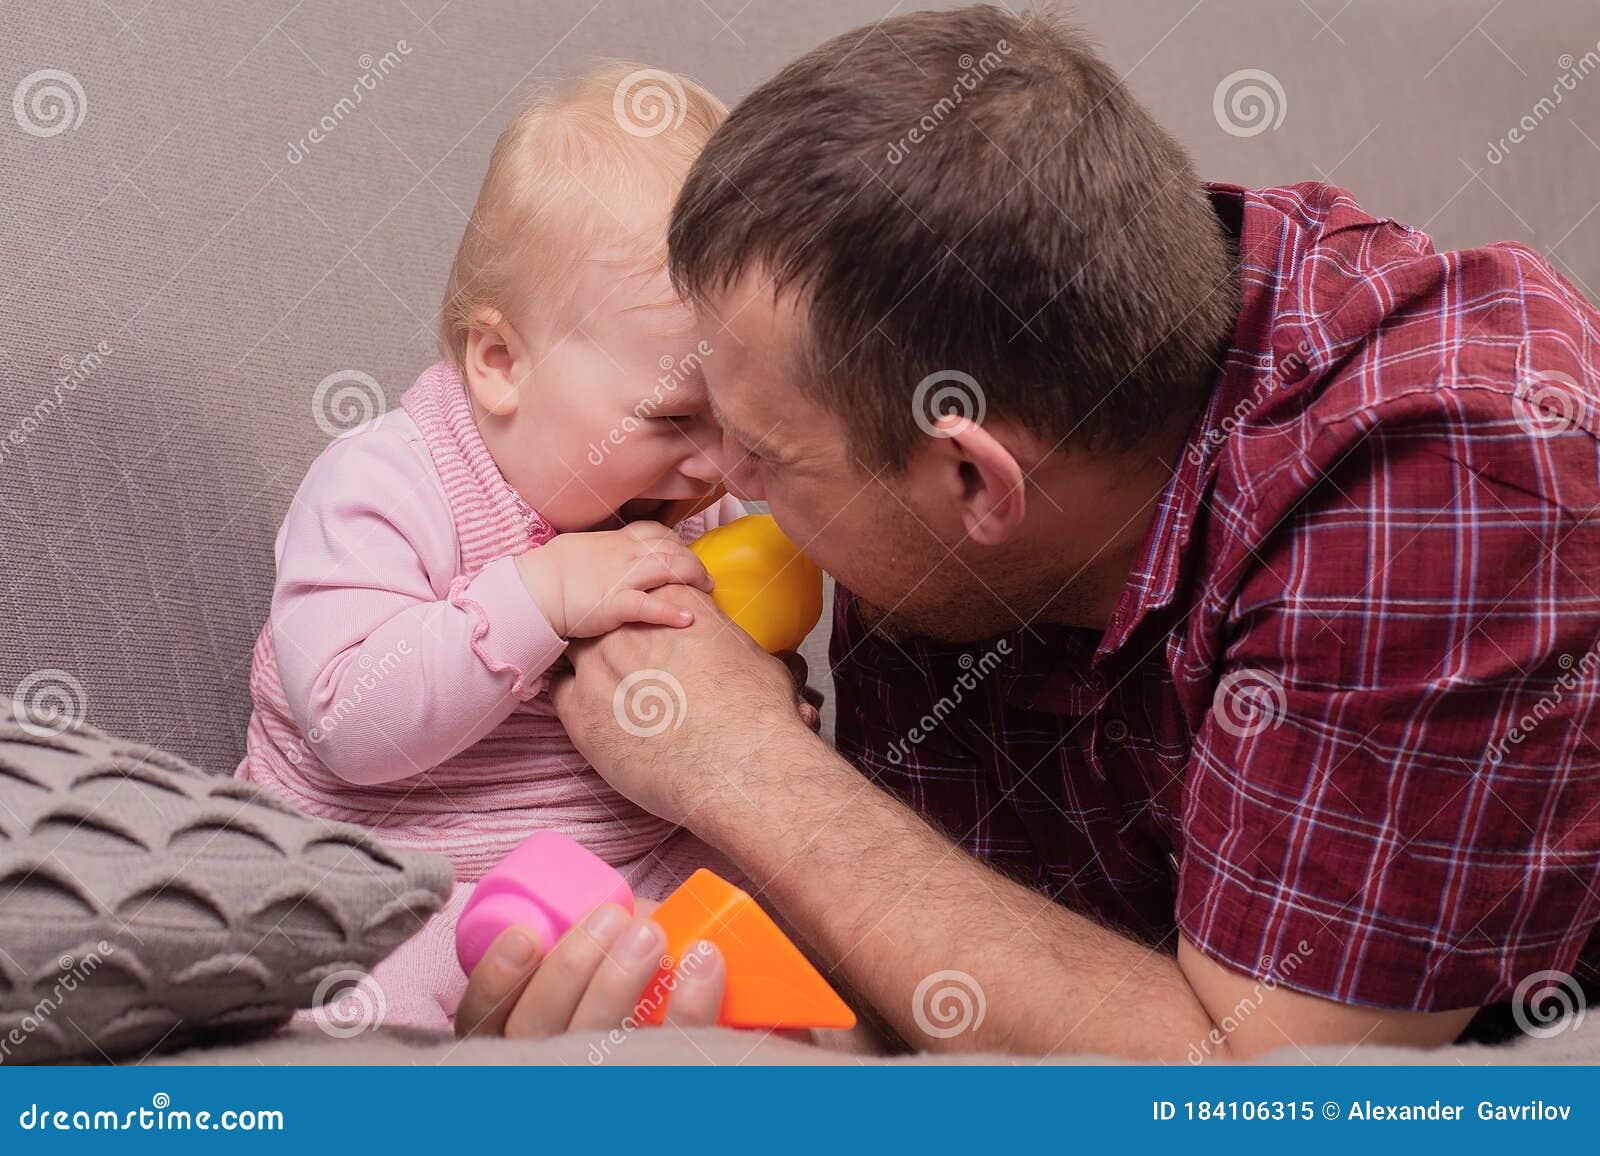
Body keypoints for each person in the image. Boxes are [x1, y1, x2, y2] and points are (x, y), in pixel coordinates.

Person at [459, 7, 1600, 1058]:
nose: (735, 491)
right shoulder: (956, 407)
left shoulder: (1451, 479)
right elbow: (938, 983)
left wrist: (743, 765)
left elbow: (1280, 1088)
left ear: (975, 479)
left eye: (768, 459)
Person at [237, 64, 763, 1030]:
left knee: (789, 912)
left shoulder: (689, 502)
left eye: (736, 419)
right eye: (677, 418)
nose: (716, 465)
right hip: (399, 867)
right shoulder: (386, 484)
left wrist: (757, 697)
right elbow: (349, 722)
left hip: (630, 854)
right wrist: (538, 598)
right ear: (500, 362)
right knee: (360, 1005)